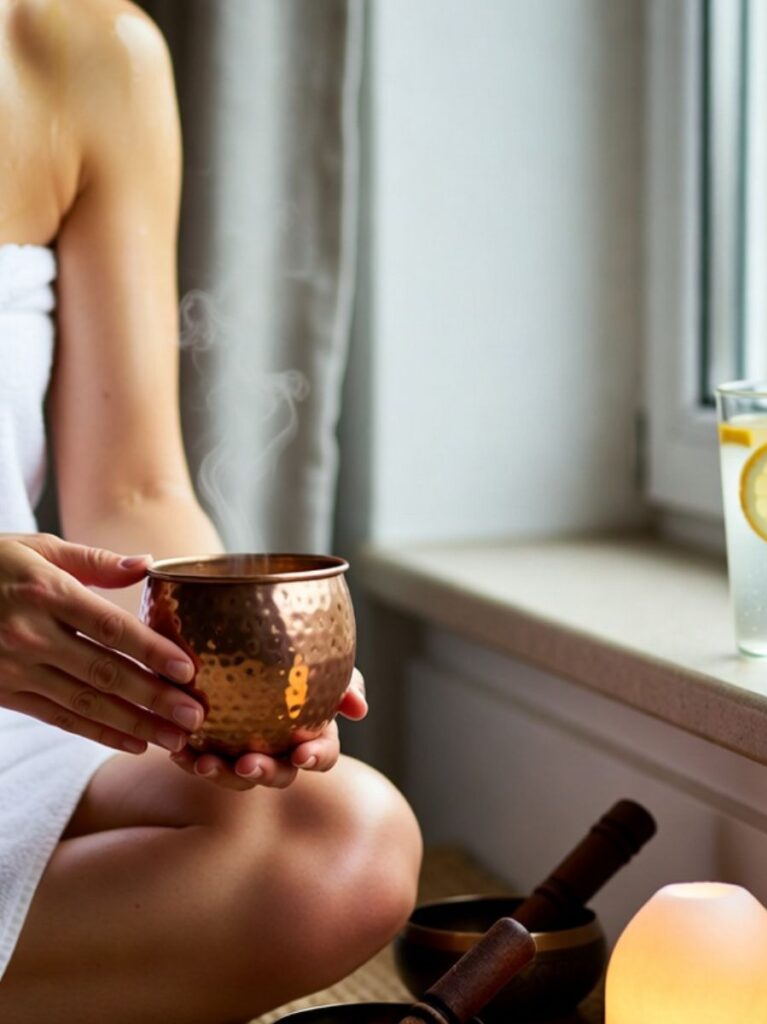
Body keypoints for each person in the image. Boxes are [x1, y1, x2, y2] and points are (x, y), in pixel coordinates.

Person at [0, 2, 422, 1021]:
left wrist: (240, 676)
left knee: (344, 847)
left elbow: (135, 491)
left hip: (16, 689)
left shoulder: (89, 53)